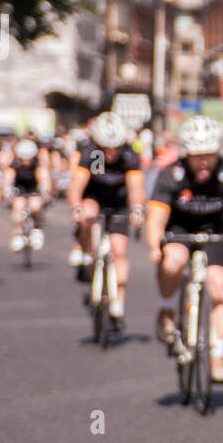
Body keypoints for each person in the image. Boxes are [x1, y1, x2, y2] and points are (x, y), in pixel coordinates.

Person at [146, 116, 223, 384]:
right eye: (197, 156)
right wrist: (154, 247)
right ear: (186, 154)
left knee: (218, 286)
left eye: (209, 155)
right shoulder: (171, 174)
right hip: (180, 228)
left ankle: (218, 353)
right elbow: (156, 218)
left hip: (215, 230)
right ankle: (167, 309)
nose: (203, 162)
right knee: (172, 262)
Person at [68, 112, 146, 328]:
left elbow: (136, 187)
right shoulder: (94, 155)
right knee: (88, 213)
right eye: (106, 148)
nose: (111, 153)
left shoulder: (129, 156)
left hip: (119, 202)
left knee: (119, 250)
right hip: (95, 197)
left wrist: (138, 210)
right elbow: (78, 185)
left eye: (116, 148)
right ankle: (86, 251)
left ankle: (118, 300)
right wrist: (75, 207)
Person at [4, 138, 51, 251]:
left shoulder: (38, 166)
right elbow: (7, 179)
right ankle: (18, 234)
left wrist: (45, 190)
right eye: (22, 160)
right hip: (19, 192)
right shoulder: (13, 166)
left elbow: (45, 179)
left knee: (35, 205)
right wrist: (7, 191)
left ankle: (37, 229)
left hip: (33, 191)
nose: (25, 163)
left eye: (28, 160)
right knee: (18, 206)